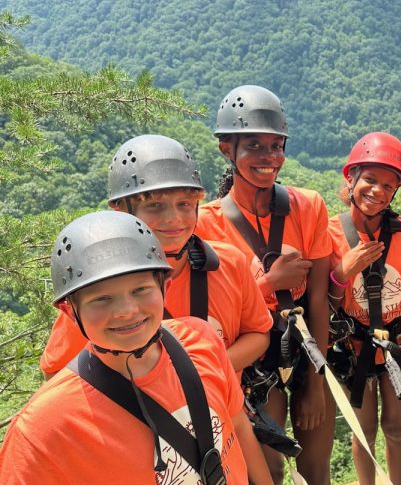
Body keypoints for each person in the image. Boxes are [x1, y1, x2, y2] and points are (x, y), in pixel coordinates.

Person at [0, 211, 279, 485]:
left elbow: (238, 426)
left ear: (164, 289)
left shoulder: (201, 341)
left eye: (140, 289)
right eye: (101, 299)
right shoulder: (44, 429)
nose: (126, 310)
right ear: (71, 312)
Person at [195, 85, 336, 485]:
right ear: (226, 149)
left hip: (307, 349)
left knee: (316, 474)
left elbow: (318, 299)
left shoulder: (307, 206)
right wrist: (268, 284)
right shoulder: (207, 225)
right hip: (255, 363)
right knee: (269, 475)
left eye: (276, 146)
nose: (268, 156)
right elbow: (216, 310)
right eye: (254, 145)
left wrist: (316, 383)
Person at [40, 134, 273, 381]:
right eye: (155, 206)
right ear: (121, 209)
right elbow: (58, 371)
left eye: (184, 204)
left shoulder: (229, 263)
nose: (173, 218)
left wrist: (202, 371)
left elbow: (258, 333)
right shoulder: (103, 284)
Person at [327, 132, 401, 485]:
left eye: (388, 185)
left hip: (399, 341)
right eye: (370, 180)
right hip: (355, 345)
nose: (378, 191)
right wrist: (344, 270)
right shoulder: (330, 234)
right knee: (363, 429)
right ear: (351, 179)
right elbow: (327, 302)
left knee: (395, 425)